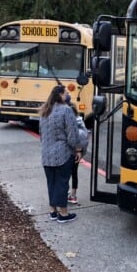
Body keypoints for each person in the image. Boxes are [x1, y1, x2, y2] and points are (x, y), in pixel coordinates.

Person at [39, 84, 81, 223]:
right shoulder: (66, 110)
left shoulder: (45, 110)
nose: (67, 95)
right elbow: (72, 134)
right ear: (60, 95)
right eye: (66, 93)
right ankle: (63, 214)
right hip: (62, 153)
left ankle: (53, 211)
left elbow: (42, 134)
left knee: (51, 182)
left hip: (46, 153)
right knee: (62, 182)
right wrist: (78, 149)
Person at [67, 102, 89, 205]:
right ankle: (73, 195)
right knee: (74, 173)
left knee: (65, 173)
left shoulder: (71, 123)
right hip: (78, 152)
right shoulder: (80, 121)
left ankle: (66, 193)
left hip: (70, 152)